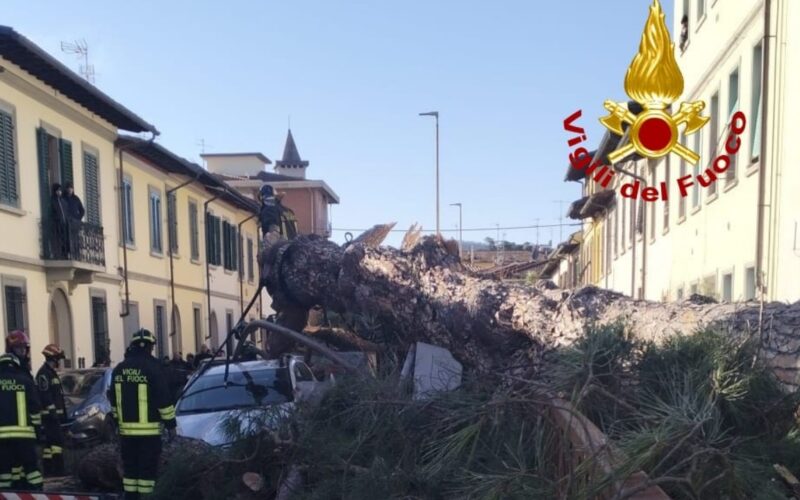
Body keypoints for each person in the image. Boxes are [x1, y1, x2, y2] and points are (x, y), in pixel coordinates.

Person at [108, 329, 176, 499]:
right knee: (147, 474)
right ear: (150, 347)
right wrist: (171, 425)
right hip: (149, 433)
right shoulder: (153, 368)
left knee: (130, 472)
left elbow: (114, 400)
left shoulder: (119, 369)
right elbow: (163, 399)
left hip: (126, 434)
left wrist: (117, 423)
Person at [0, 332, 43, 491]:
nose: (23, 352)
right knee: (31, 470)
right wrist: (38, 431)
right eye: (20, 349)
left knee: (4, 472)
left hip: (1, 437)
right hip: (24, 435)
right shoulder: (24, 379)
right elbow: (34, 408)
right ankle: (37, 493)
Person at [36, 344, 67, 476]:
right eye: (58, 359)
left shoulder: (50, 373)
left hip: (55, 417)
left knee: (49, 446)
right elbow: (45, 396)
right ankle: (59, 470)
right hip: (50, 417)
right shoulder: (43, 374)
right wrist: (53, 413)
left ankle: (49, 470)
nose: (59, 362)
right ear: (52, 359)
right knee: (57, 444)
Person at [50, 183, 69, 259]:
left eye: (60, 190)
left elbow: (66, 212)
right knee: (57, 240)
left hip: (64, 224)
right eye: (58, 190)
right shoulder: (52, 201)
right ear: (55, 191)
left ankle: (65, 255)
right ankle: (57, 255)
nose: (59, 192)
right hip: (56, 224)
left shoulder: (63, 202)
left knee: (64, 240)